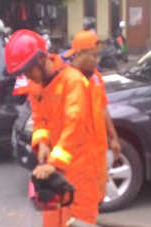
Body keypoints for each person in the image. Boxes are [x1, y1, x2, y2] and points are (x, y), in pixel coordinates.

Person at [5, 30, 100, 227]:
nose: (28, 76)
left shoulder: (73, 81)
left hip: (79, 168)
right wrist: (43, 144)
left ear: (41, 58)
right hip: (55, 167)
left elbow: (75, 125)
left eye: (29, 70)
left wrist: (53, 163)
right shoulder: (36, 85)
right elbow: (39, 119)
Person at [64, 31, 122, 202]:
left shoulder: (96, 77)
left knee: (96, 195)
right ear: (80, 54)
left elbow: (102, 107)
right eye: (94, 55)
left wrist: (113, 137)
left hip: (97, 151)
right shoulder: (66, 80)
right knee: (77, 199)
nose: (98, 60)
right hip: (77, 154)